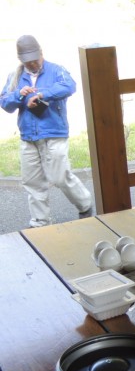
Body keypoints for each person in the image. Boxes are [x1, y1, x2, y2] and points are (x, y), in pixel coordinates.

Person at [0, 35, 92, 227]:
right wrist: (20, 94)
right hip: (28, 136)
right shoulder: (15, 76)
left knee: (59, 176)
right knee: (32, 182)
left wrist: (42, 93)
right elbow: (5, 103)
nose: (33, 64)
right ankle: (40, 222)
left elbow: (69, 86)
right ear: (21, 59)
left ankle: (85, 204)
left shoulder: (56, 70)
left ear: (41, 53)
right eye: (28, 61)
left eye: (35, 59)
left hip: (54, 132)